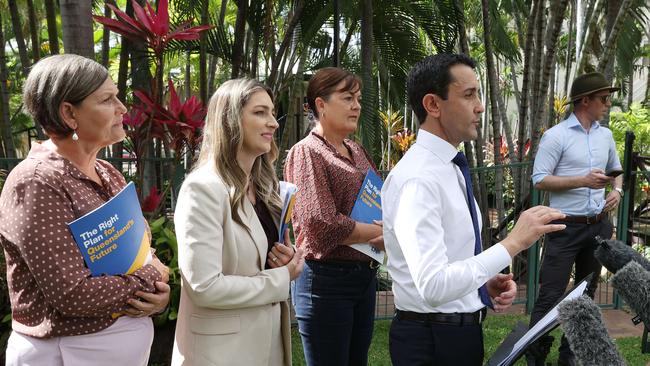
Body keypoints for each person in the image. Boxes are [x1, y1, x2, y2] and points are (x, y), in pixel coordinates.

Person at [382, 53, 567, 365]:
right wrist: (513, 243)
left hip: (453, 334)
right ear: (433, 105)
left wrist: (481, 284)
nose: (480, 106)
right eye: (468, 95)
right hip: (433, 341)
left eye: (478, 94)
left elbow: (450, 260)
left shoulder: (449, 166)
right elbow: (433, 285)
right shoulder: (418, 179)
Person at [0, 54, 170, 366]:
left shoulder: (108, 172)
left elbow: (141, 249)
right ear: (69, 113)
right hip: (64, 353)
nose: (122, 109)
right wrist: (151, 277)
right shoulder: (36, 182)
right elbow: (71, 293)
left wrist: (158, 295)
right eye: (107, 100)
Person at [172, 79, 304, 366]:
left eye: (272, 113)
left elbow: (263, 258)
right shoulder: (203, 189)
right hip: (222, 353)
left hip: (268, 346)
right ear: (230, 120)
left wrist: (287, 259)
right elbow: (204, 286)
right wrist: (281, 278)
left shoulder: (266, 189)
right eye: (260, 113)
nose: (273, 123)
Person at [284, 67, 384, 366]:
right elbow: (319, 223)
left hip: (363, 275)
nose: (356, 105)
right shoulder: (307, 152)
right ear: (321, 104)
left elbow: (378, 199)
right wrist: (380, 232)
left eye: (358, 98)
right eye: (347, 98)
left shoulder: (356, 149)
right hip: (325, 281)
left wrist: (384, 232)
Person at [526, 72, 623, 366]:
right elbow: (539, 180)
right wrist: (582, 180)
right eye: (603, 99)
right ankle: (534, 356)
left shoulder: (605, 135)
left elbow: (615, 171)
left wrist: (616, 191)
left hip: (597, 227)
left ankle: (568, 357)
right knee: (550, 295)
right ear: (585, 101)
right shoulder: (556, 136)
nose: (608, 104)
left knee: (585, 296)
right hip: (564, 226)